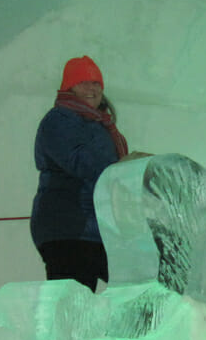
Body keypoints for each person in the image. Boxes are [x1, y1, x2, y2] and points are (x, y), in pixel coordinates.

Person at [30, 55, 144, 291]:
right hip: (68, 228)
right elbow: (80, 161)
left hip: (98, 230)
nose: (91, 89)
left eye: (96, 83)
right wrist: (125, 166)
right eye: (83, 82)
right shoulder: (59, 120)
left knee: (137, 286)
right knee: (76, 301)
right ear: (69, 87)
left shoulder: (100, 124)